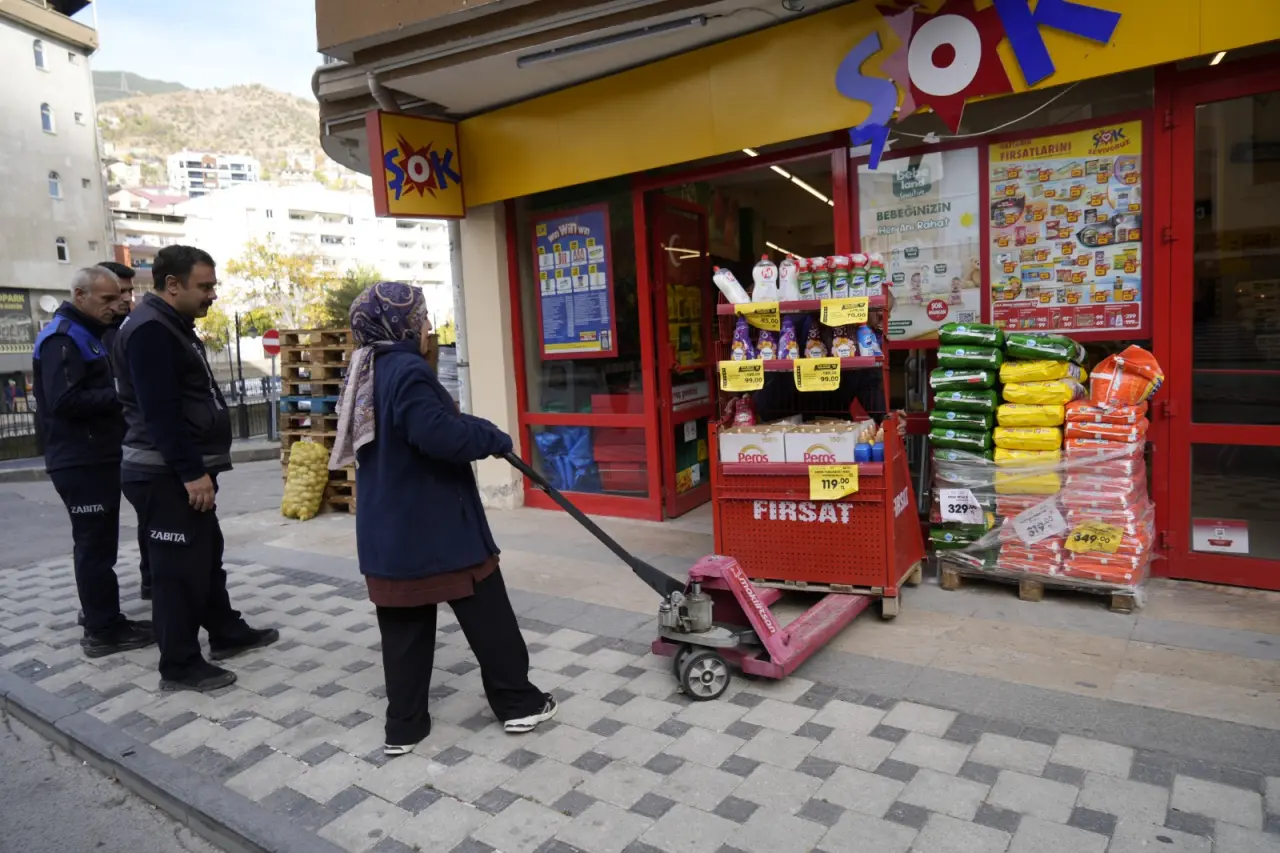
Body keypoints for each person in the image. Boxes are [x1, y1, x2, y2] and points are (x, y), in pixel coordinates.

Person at [331, 281, 555, 756]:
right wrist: (491, 439)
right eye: (422, 317)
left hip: (389, 532)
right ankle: (519, 703)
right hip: (439, 527)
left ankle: (404, 727)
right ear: (403, 323)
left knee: (404, 629)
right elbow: (437, 435)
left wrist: (474, 426)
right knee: (490, 617)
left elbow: (420, 426)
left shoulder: (367, 368)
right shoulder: (407, 369)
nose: (428, 326)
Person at [113, 245, 278, 692]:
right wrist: (190, 472)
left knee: (204, 558)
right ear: (172, 284)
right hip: (165, 475)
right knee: (177, 573)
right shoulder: (150, 331)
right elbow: (159, 413)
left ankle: (225, 631)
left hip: (179, 470)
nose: (213, 295)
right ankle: (180, 664)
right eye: (205, 286)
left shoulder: (171, 325)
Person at [32, 267, 154, 658]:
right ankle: (102, 631)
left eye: (118, 296)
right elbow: (64, 400)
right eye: (106, 299)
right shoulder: (63, 338)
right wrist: (122, 393)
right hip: (79, 459)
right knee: (94, 547)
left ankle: (103, 616)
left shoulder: (88, 333)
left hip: (95, 455)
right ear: (80, 295)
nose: (116, 304)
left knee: (99, 544)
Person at [98, 261, 151, 601]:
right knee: (99, 535)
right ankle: (100, 611)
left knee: (151, 516)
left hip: (136, 442)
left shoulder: (133, 327)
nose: (125, 299)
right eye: (118, 292)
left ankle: (152, 581)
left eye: (130, 292)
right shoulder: (83, 334)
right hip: (102, 446)